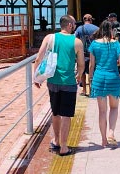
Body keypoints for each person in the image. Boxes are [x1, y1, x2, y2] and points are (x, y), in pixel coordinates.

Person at [33, 15, 84, 156]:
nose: (74, 26)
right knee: (66, 115)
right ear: (69, 25)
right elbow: (81, 64)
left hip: (52, 81)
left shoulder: (49, 38)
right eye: (73, 24)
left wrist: (36, 77)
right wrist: (79, 76)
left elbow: (38, 58)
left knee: (55, 112)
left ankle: (56, 141)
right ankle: (64, 147)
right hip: (68, 82)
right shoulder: (77, 42)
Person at [88, 20, 120, 148]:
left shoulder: (94, 44)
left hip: (99, 78)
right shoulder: (116, 44)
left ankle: (103, 140)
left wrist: (90, 79)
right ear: (111, 30)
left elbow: (91, 64)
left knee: (102, 111)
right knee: (114, 107)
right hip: (113, 78)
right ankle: (111, 132)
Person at [74, 14, 98, 96]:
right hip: (93, 54)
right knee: (93, 71)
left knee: (82, 72)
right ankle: (92, 90)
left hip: (82, 54)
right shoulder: (96, 28)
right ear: (91, 20)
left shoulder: (79, 29)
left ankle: (84, 90)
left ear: (84, 20)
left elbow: (75, 40)